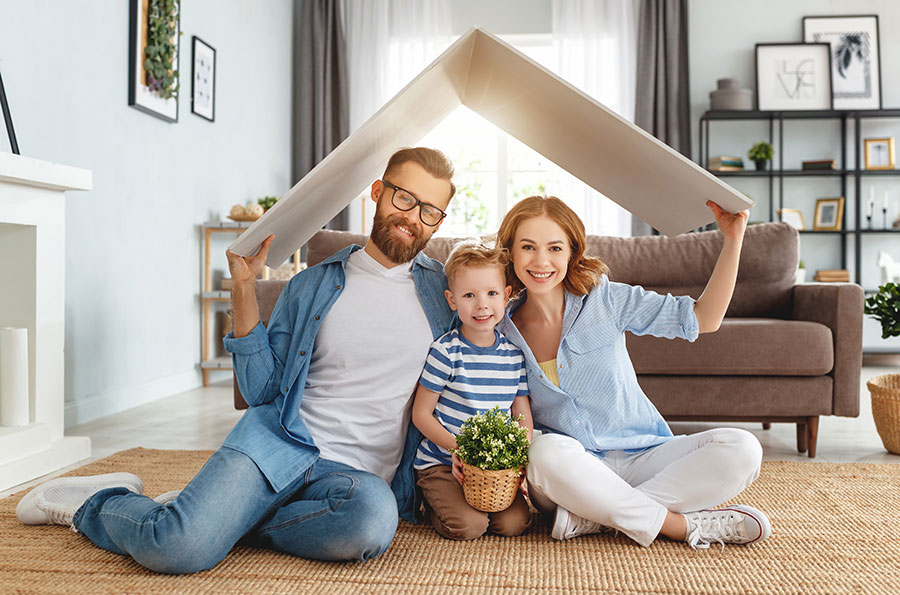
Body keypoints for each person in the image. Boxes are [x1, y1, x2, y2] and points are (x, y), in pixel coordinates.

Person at [16, 147, 458, 573]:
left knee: (370, 526)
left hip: (354, 483)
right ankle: (96, 503)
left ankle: (216, 519)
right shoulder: (312, 286)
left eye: (430, 211)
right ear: (378, 192)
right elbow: (260, 390)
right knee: (176, 550)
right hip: (279, 446)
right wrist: (243, 289)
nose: (413, 218)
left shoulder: (445, 296)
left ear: (438, 222)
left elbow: (503, 319)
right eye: (405, 198)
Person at [494, 195, 770, 551]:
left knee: (742, 448)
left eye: (555, 248)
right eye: (528, 247)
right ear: (510, 252)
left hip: (645, 455)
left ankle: (595, 517)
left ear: (572, 252)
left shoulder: (607, 300)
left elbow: (704, 319)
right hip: (571, 473)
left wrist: (733, 240)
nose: (541, 261)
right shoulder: (499, 327)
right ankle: (677, 526)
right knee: (543, 451)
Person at [411, 240, 534, 540]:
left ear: (506, 296)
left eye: (492, 293)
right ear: (452, 301)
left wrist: (516, 457)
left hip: (493, 471)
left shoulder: (513, 356)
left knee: (514, 524)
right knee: (469, 526)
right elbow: (421, 414)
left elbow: (522, 416)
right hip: (442, 463)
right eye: (469, 295)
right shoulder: (445, 352)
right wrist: (459, 449)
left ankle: (479, 506)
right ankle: (433, 501)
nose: (482, 305)